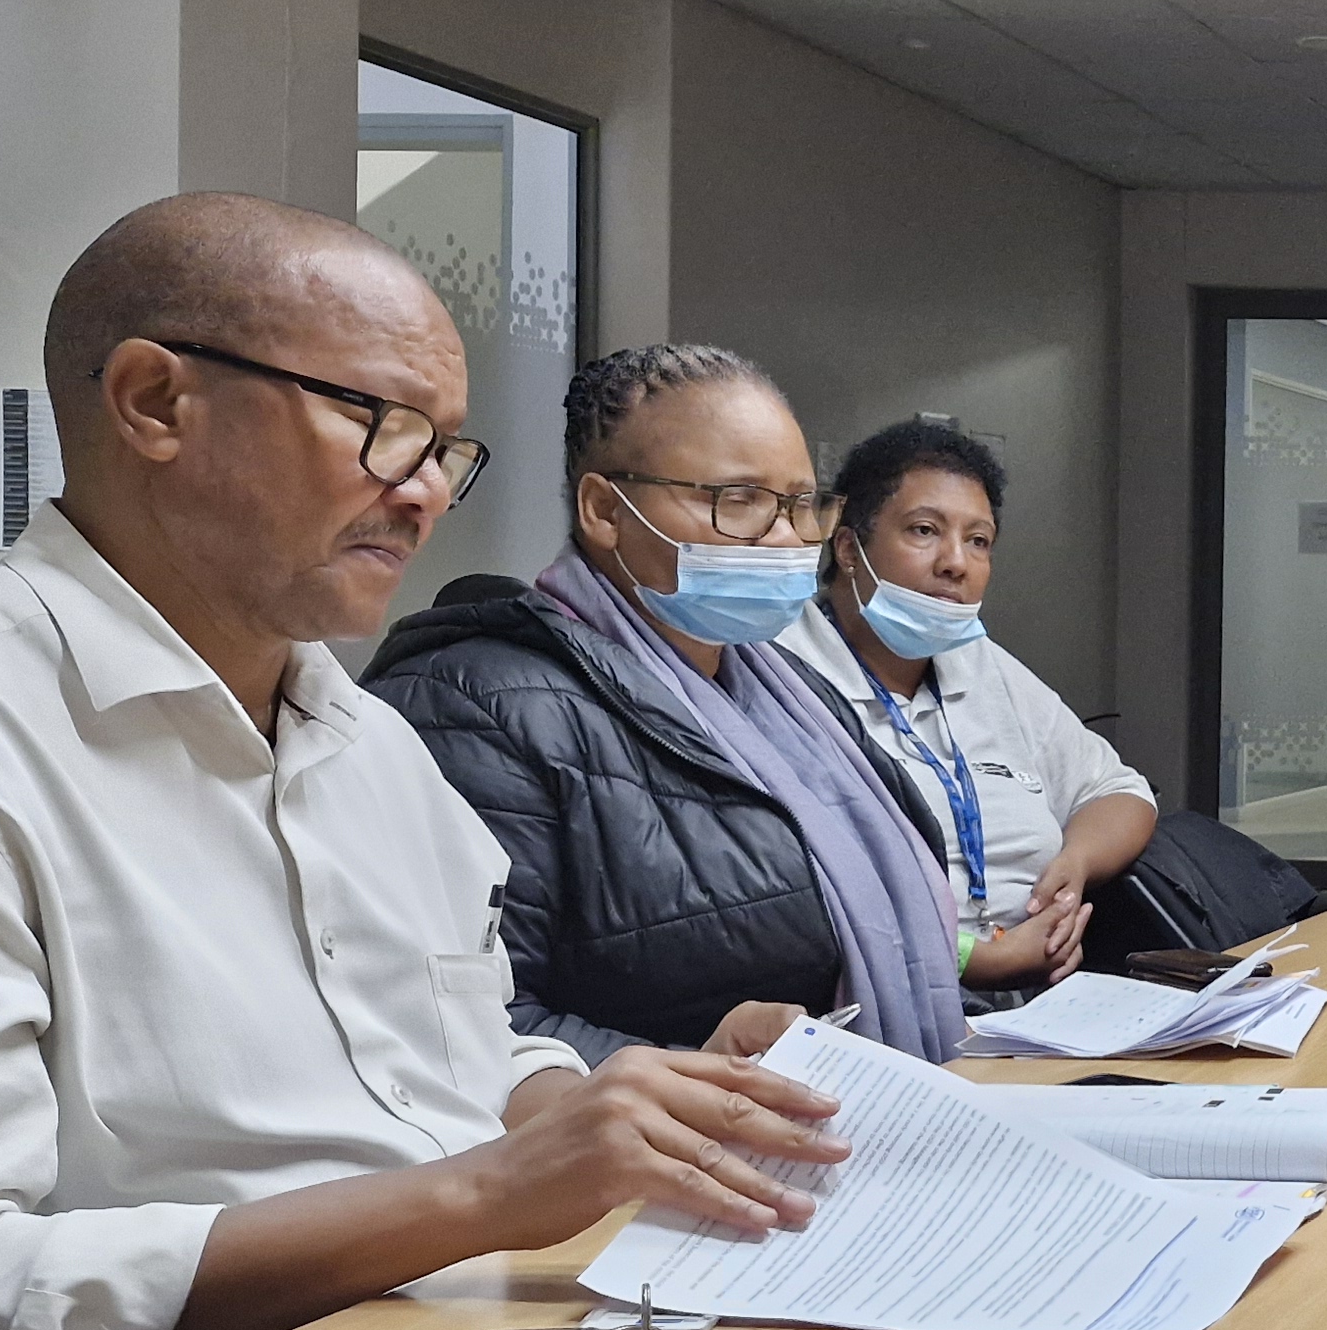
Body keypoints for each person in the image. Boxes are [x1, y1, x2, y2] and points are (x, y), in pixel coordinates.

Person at [0, 198, 843, 1330]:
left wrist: (624, 1109)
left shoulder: (369, 745)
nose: (426, 492)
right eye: (383, 428)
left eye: (447, 450)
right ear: (155, 402)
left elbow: (456, 1058)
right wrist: (484, 1194)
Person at [368, 345, 972, 1066]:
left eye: (800, 505)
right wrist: (685, 1071)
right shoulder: (474, 706)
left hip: (849, 1130)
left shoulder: (794, 695)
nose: (785, 539)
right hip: (648, 1159)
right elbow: (463, 1030)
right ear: (603, 511)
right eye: (738, 502)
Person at [779, 418, 1157, 991]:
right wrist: (970, 960)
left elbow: (1120, 793)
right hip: (886, 1000)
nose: (956, 562)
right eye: (924, 530)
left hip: (1041, 999)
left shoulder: (983, 667)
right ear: (850, 548)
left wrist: (1074, 862)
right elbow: (795, 890)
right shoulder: (779, 675)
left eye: (978, 541)